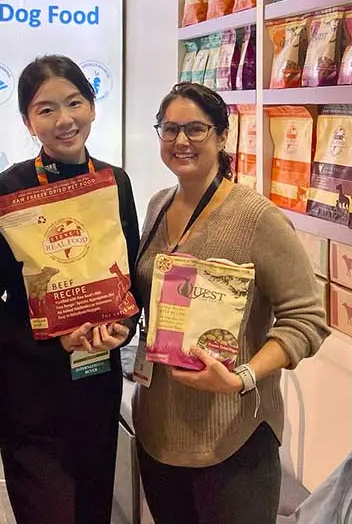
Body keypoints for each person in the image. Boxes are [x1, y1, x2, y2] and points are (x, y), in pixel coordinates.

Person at [132, 82, 330, 524]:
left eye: (196, 129)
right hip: (159, 431)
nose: (182, 141)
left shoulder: (256, 216)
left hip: (233, 435)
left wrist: (241, 378)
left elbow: (308, 319)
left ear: (223, 137)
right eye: (170, 129)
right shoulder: (157, 206)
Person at [0, 54, 140, 524]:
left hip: (97, 388)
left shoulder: (114, 183)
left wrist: (123, 325)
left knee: (92, 513)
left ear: (92, 107)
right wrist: (44, 336)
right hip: (32, 394)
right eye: (46, 109)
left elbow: (131, 282)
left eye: (75, 102)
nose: (64, 120)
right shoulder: (9, 190)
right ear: (28, 121)